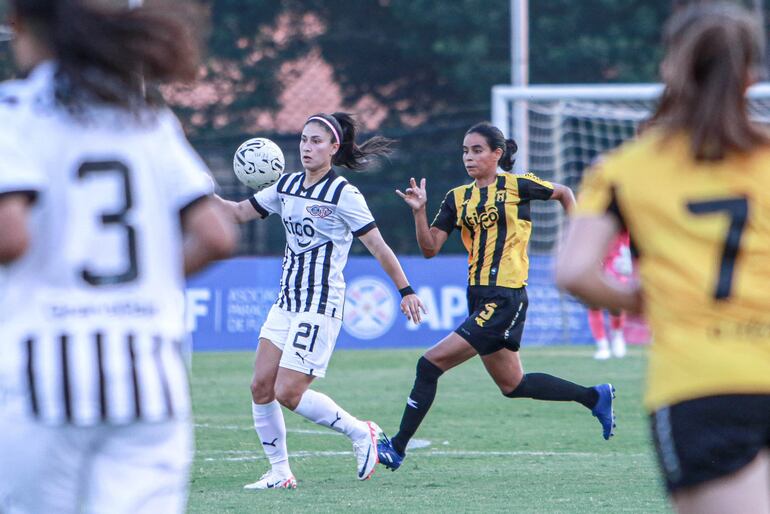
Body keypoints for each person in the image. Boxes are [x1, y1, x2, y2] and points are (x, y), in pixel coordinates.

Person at [0, 1, 237, 513]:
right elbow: (217, 236)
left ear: (18, 24)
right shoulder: (144, 115)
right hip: (149, 374)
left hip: (47, 373)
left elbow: (11, 236)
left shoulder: (14, 112)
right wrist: (146, 282)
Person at [555, 4, 770, 513]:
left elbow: (573, 271)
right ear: (750, 75)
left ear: (670, 68)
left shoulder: (627, 167)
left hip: (702, 385)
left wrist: (645, 299)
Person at [376, 122, 616, 471]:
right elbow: (429, 248)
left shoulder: (518, 186)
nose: (469, 157)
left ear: (497, 154)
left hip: (504, 298)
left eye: (477, 150)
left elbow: (564, 193)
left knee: (429, 365)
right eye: (465, 151)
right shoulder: (457, 198)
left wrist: (583, 245)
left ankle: (397, 447)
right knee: (512, 385)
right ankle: (594, 396)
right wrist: (419, 211)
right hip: (478, 297)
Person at [215, 112, 426, 489]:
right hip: (286, 303)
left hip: (320, 305)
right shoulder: (286, 185)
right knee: (261, 386)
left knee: (288, 391)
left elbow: (379, 247)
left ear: (333, 148)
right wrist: (198, 196)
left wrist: (406, 290)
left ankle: (361, 432)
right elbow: (237, 213)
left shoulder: (344, 195)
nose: (307, 147)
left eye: (316, 141)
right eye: (303, 139)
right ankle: (280, 472)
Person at [589, 231, 631, 359]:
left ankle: (617, 334)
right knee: (594, 302)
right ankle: (602, 345)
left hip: (617, 258)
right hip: (595, 254)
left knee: (616, 302)